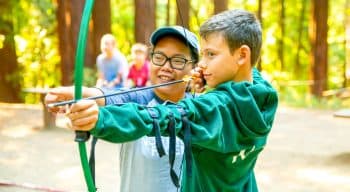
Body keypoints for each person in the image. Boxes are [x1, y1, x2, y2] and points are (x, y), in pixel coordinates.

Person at [62, 9, 278, 192]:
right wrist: (213, 78)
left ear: (242, 55)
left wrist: (100, 119)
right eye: (202, 56)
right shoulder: (262, 94)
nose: (203, 64)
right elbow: (126, 97)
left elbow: (166, 116)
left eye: (210, 55)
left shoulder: (208, 108)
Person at [45, 26, 199, 192]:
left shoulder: (202, 109)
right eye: (159, 57)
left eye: (177, 60)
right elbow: (105, 96)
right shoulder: (136, 99)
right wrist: (70, 94)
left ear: (194, 68)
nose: (166, 66)